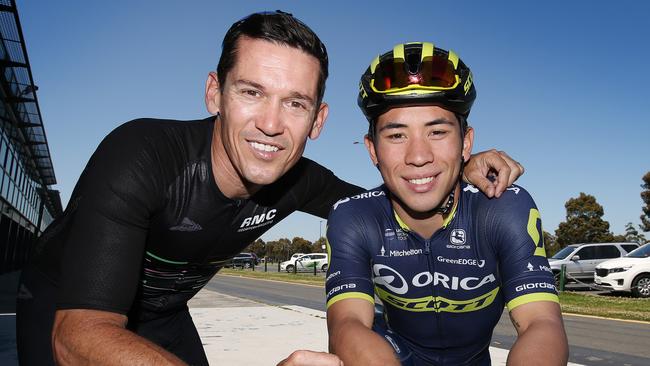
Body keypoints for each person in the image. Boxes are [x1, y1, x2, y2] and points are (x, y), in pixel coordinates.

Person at [16, 12, 523, 366]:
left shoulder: (299, 181)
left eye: (296, 104)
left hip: (163, 313)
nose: (271, 125)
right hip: (67, 309)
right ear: (215, 92)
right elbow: (77, 338)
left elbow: (398, 196)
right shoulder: (142, 155)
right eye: (252, 92)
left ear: (318, 120)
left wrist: (457, 163)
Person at [325, 42, 568, 365]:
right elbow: (347, 325)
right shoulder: (354, 216)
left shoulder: (503, 207)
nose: (419, 157)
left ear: (466, 142)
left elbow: (542, 323)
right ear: (372, 150)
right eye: (397, 136)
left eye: (437, 132)